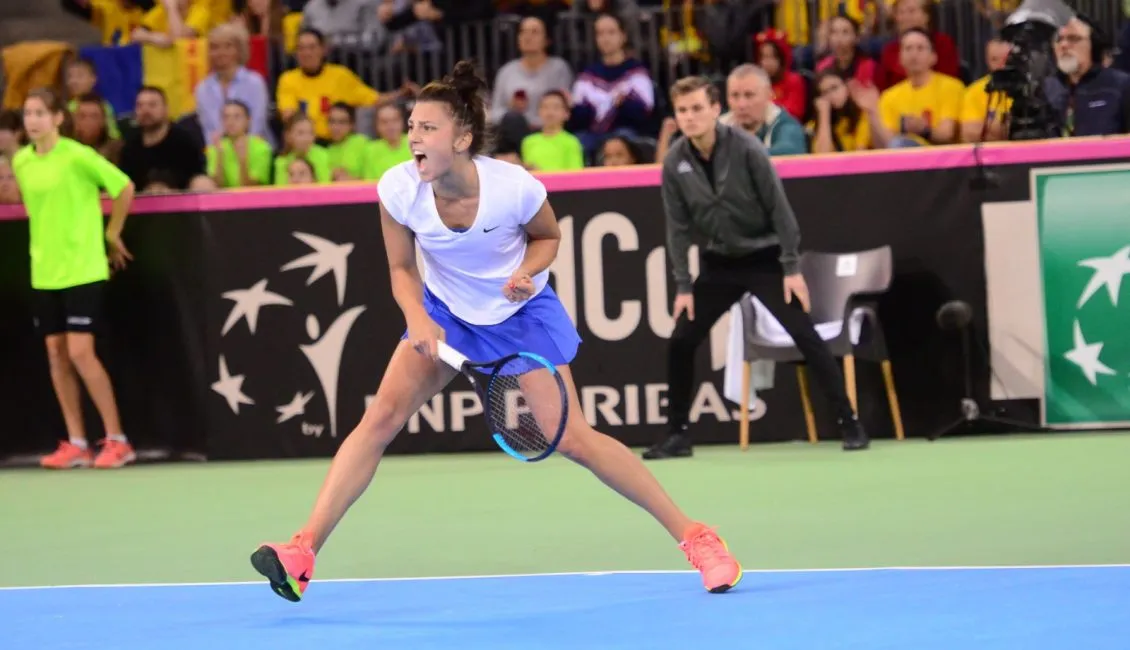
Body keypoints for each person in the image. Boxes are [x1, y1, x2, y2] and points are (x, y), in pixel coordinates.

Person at [249, 61, 743, 600]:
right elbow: (401, 268)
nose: (414, 137)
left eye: (428, 128)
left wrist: (526, 272)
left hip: (519, 315)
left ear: (462, 138)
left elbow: (548, 237)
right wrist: (417, 317)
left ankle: (697, 537)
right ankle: (302, 550)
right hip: (446, 313)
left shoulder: (513, 188)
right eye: (412, 126)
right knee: (379, 420)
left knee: (574, 438)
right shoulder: (398, 188)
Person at [643, 76, 870, 461]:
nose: (690, 117)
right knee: (681, 341)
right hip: (719, 265)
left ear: (716, 110)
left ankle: (849, 423)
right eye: (682, 110)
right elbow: (677, 228)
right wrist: (683, 286)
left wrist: (791, 268)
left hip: (766, 260)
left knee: (805, 335)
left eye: (697, 108)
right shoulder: (674, 161)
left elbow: (780, 211)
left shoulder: (747, 148)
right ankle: (677, 435)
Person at [11, 88, 137, 470]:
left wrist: (112, 233)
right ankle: (78, 443)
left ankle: (117, 440)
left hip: (83, 268)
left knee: (81, 352)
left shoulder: (78, 155)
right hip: (44, 271)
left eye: (40, 113)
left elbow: (124, 187)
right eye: (28, 114)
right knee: (56, 353)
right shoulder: (21, 161)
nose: (33, 120)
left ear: (57, 118)